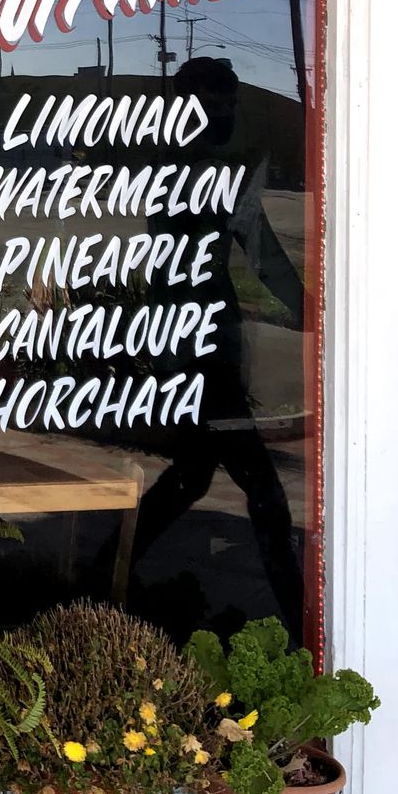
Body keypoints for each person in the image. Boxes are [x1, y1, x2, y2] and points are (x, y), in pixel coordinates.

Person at [126, 56, 306, 639]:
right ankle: (300, 615)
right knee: (263, 492)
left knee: (194, 474)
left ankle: (109, 566)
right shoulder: (199, 172)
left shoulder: (173, 166)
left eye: (230, 105)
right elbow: (262, 253)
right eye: (214, 106)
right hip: (200, 346)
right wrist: (309, 313)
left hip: (196, 339)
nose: (224, 116)